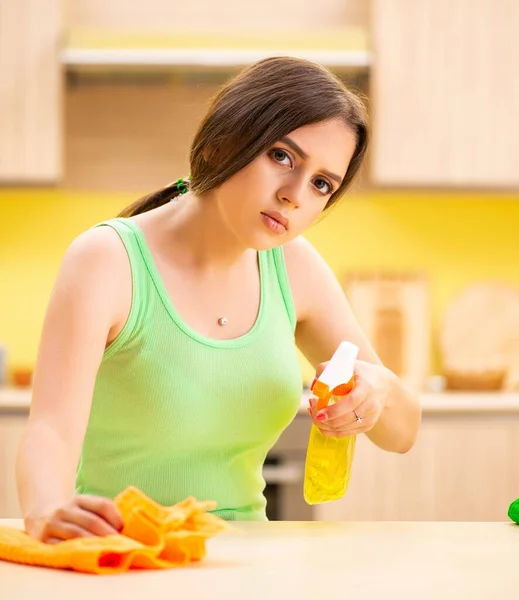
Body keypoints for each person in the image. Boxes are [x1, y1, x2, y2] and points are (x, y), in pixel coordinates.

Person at [15, 56, 421, 544]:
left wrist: (378, 391)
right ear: (221, 143)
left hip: (247, 566)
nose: (295, 194)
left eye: (321, 184)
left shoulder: (294, 267)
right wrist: (47, 509)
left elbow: (401, 433)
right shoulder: (107, 260)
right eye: (282, 156)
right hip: (123, 555)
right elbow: (51, 431)